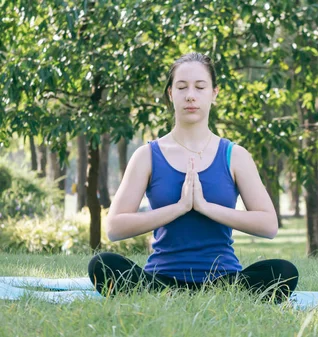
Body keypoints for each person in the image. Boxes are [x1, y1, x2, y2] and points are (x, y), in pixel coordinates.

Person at [88, 53, 298, 303]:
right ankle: (167, 296)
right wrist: (180, 207)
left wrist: (205, 207)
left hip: (224, 281)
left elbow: (268, 225)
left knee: (284, 272)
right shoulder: (147, 155)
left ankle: (219, 296)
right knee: (102, 264)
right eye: (181, 87)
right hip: (160, 280)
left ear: (214, 93)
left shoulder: (235, 156)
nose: (190, 95)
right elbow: (114, 228)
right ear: (170, 93)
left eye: (200, 87)